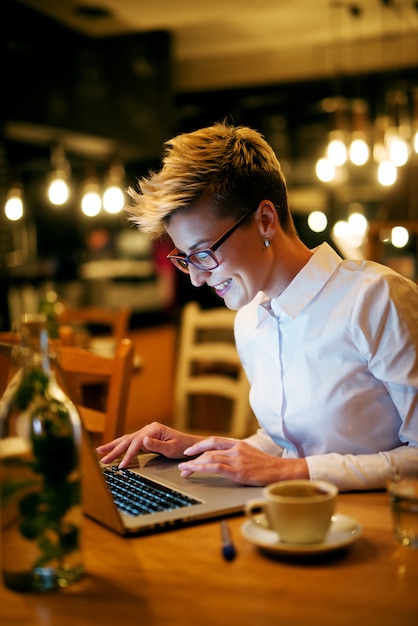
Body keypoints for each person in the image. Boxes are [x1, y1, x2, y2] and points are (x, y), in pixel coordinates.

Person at [97, 122, 418, 491]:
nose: (197, 278)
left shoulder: (377, 299)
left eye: (204, 252)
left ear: (265, 220)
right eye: (186, 258)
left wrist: (291, 472)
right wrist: (196, 449)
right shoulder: (250, 318)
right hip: (291, 517)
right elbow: (285, 444)